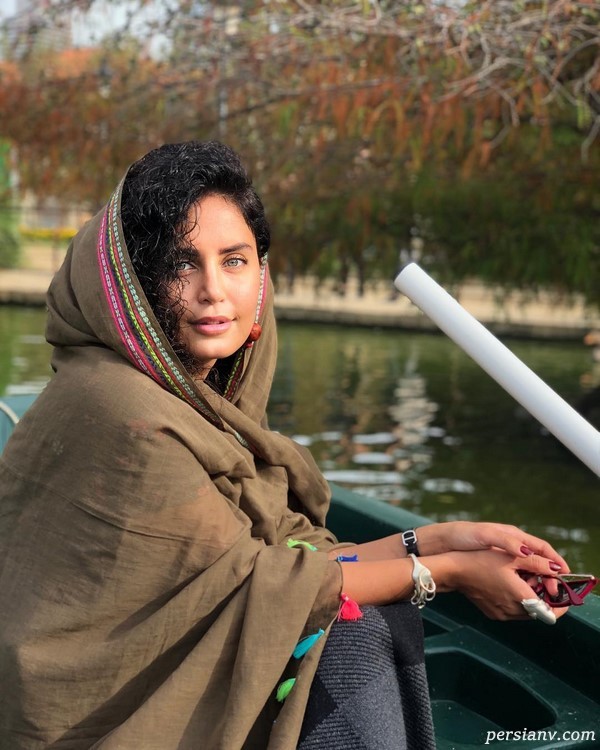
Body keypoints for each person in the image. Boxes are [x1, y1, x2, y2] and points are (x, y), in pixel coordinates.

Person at [0, 141, 570, 750]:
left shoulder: (199, 401)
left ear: (261, 271)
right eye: (180, 265)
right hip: (84, 720)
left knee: (355, 618)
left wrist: (441, 539)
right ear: (132, 285)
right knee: (355, 633)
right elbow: (261, 586)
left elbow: (280, 565)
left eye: (235, 260)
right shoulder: (120, 408)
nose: (213, 290)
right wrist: (447, 571)